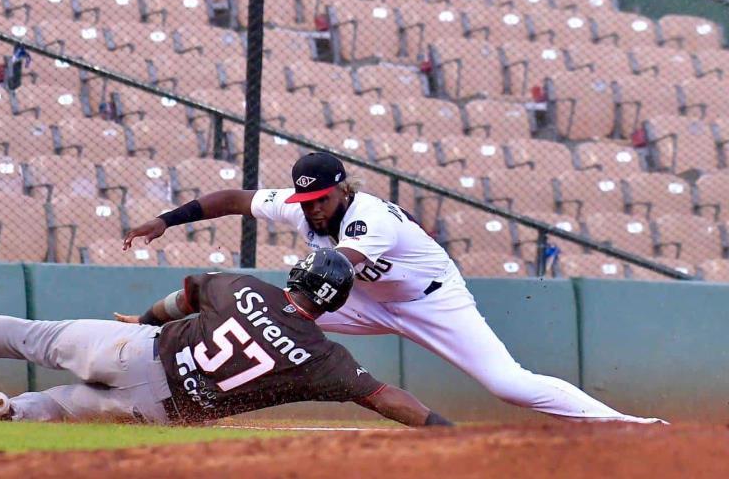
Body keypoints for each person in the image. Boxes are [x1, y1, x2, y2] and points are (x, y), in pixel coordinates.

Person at [123, 152, 665, 424]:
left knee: (509, 385)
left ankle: (631, 426)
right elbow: (233, 199)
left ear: (342, 190)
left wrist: (302, 291)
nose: (312, 207)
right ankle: (149, 335)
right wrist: (169, 220)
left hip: (430, 301)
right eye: (304, 200)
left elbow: (341, 266)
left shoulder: (371, 218)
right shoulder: (299, 208)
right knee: (253, 315)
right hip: (361, 301)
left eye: (321, 199)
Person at [0, 249, 453, 427]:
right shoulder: (326, 358)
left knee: (30, 338)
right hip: (163, 408)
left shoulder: (244, 288)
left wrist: (147, 319)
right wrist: (440, 428)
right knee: (57, 408)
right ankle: (7, 410)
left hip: (144, 348)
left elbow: (186, 296)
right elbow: (384, 397)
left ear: (298, 277)